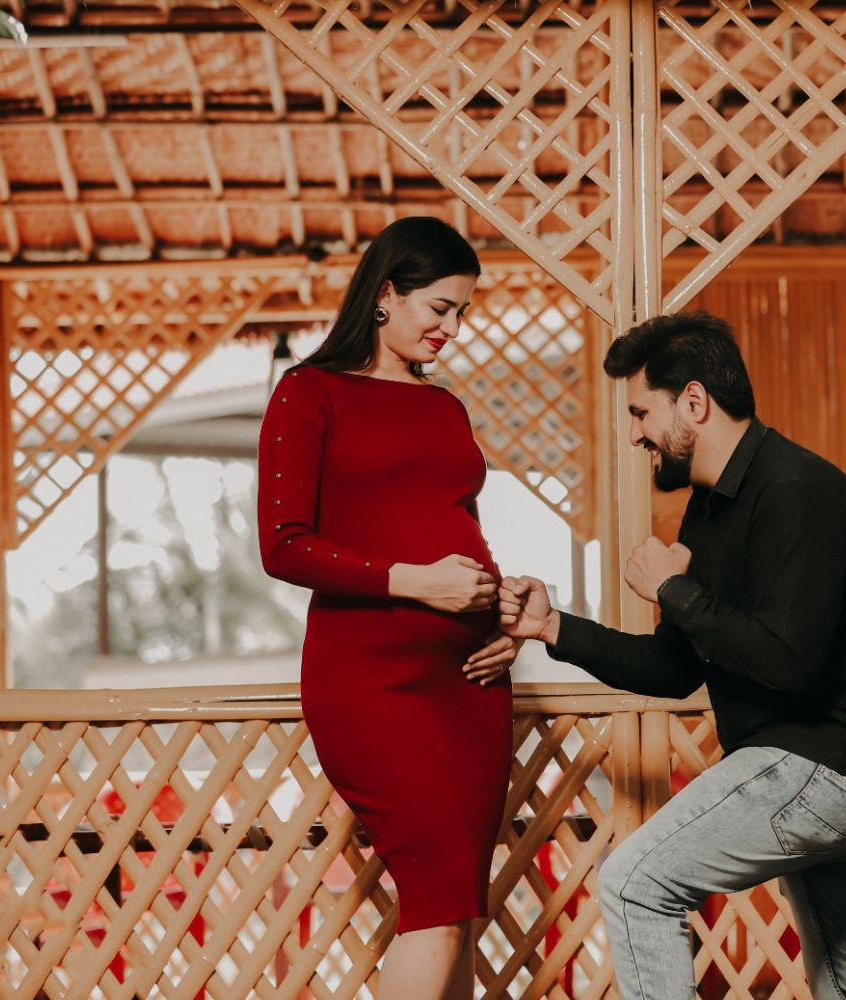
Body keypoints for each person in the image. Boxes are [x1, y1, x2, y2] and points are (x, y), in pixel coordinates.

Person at [497, 311, 846, 1000]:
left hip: (837, 761)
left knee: (635, 883)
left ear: (694, 403)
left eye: (641, 412)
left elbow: (791, 665)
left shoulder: (799, 492)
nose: (635, 434)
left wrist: (674, 590)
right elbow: (673, 670)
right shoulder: (707, 512)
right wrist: (553, 627)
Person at [257, 216, 520, 1000]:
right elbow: (284, 546)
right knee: (438, 907)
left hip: (472, 685)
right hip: (373, 683)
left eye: (461, 312)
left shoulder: (446, 409)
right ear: (384, 295)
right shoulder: (309, 393)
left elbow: (462, 528)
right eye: (439, 308)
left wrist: (503, 615)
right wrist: (415, 583)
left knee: (457, 907)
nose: (452, 328)